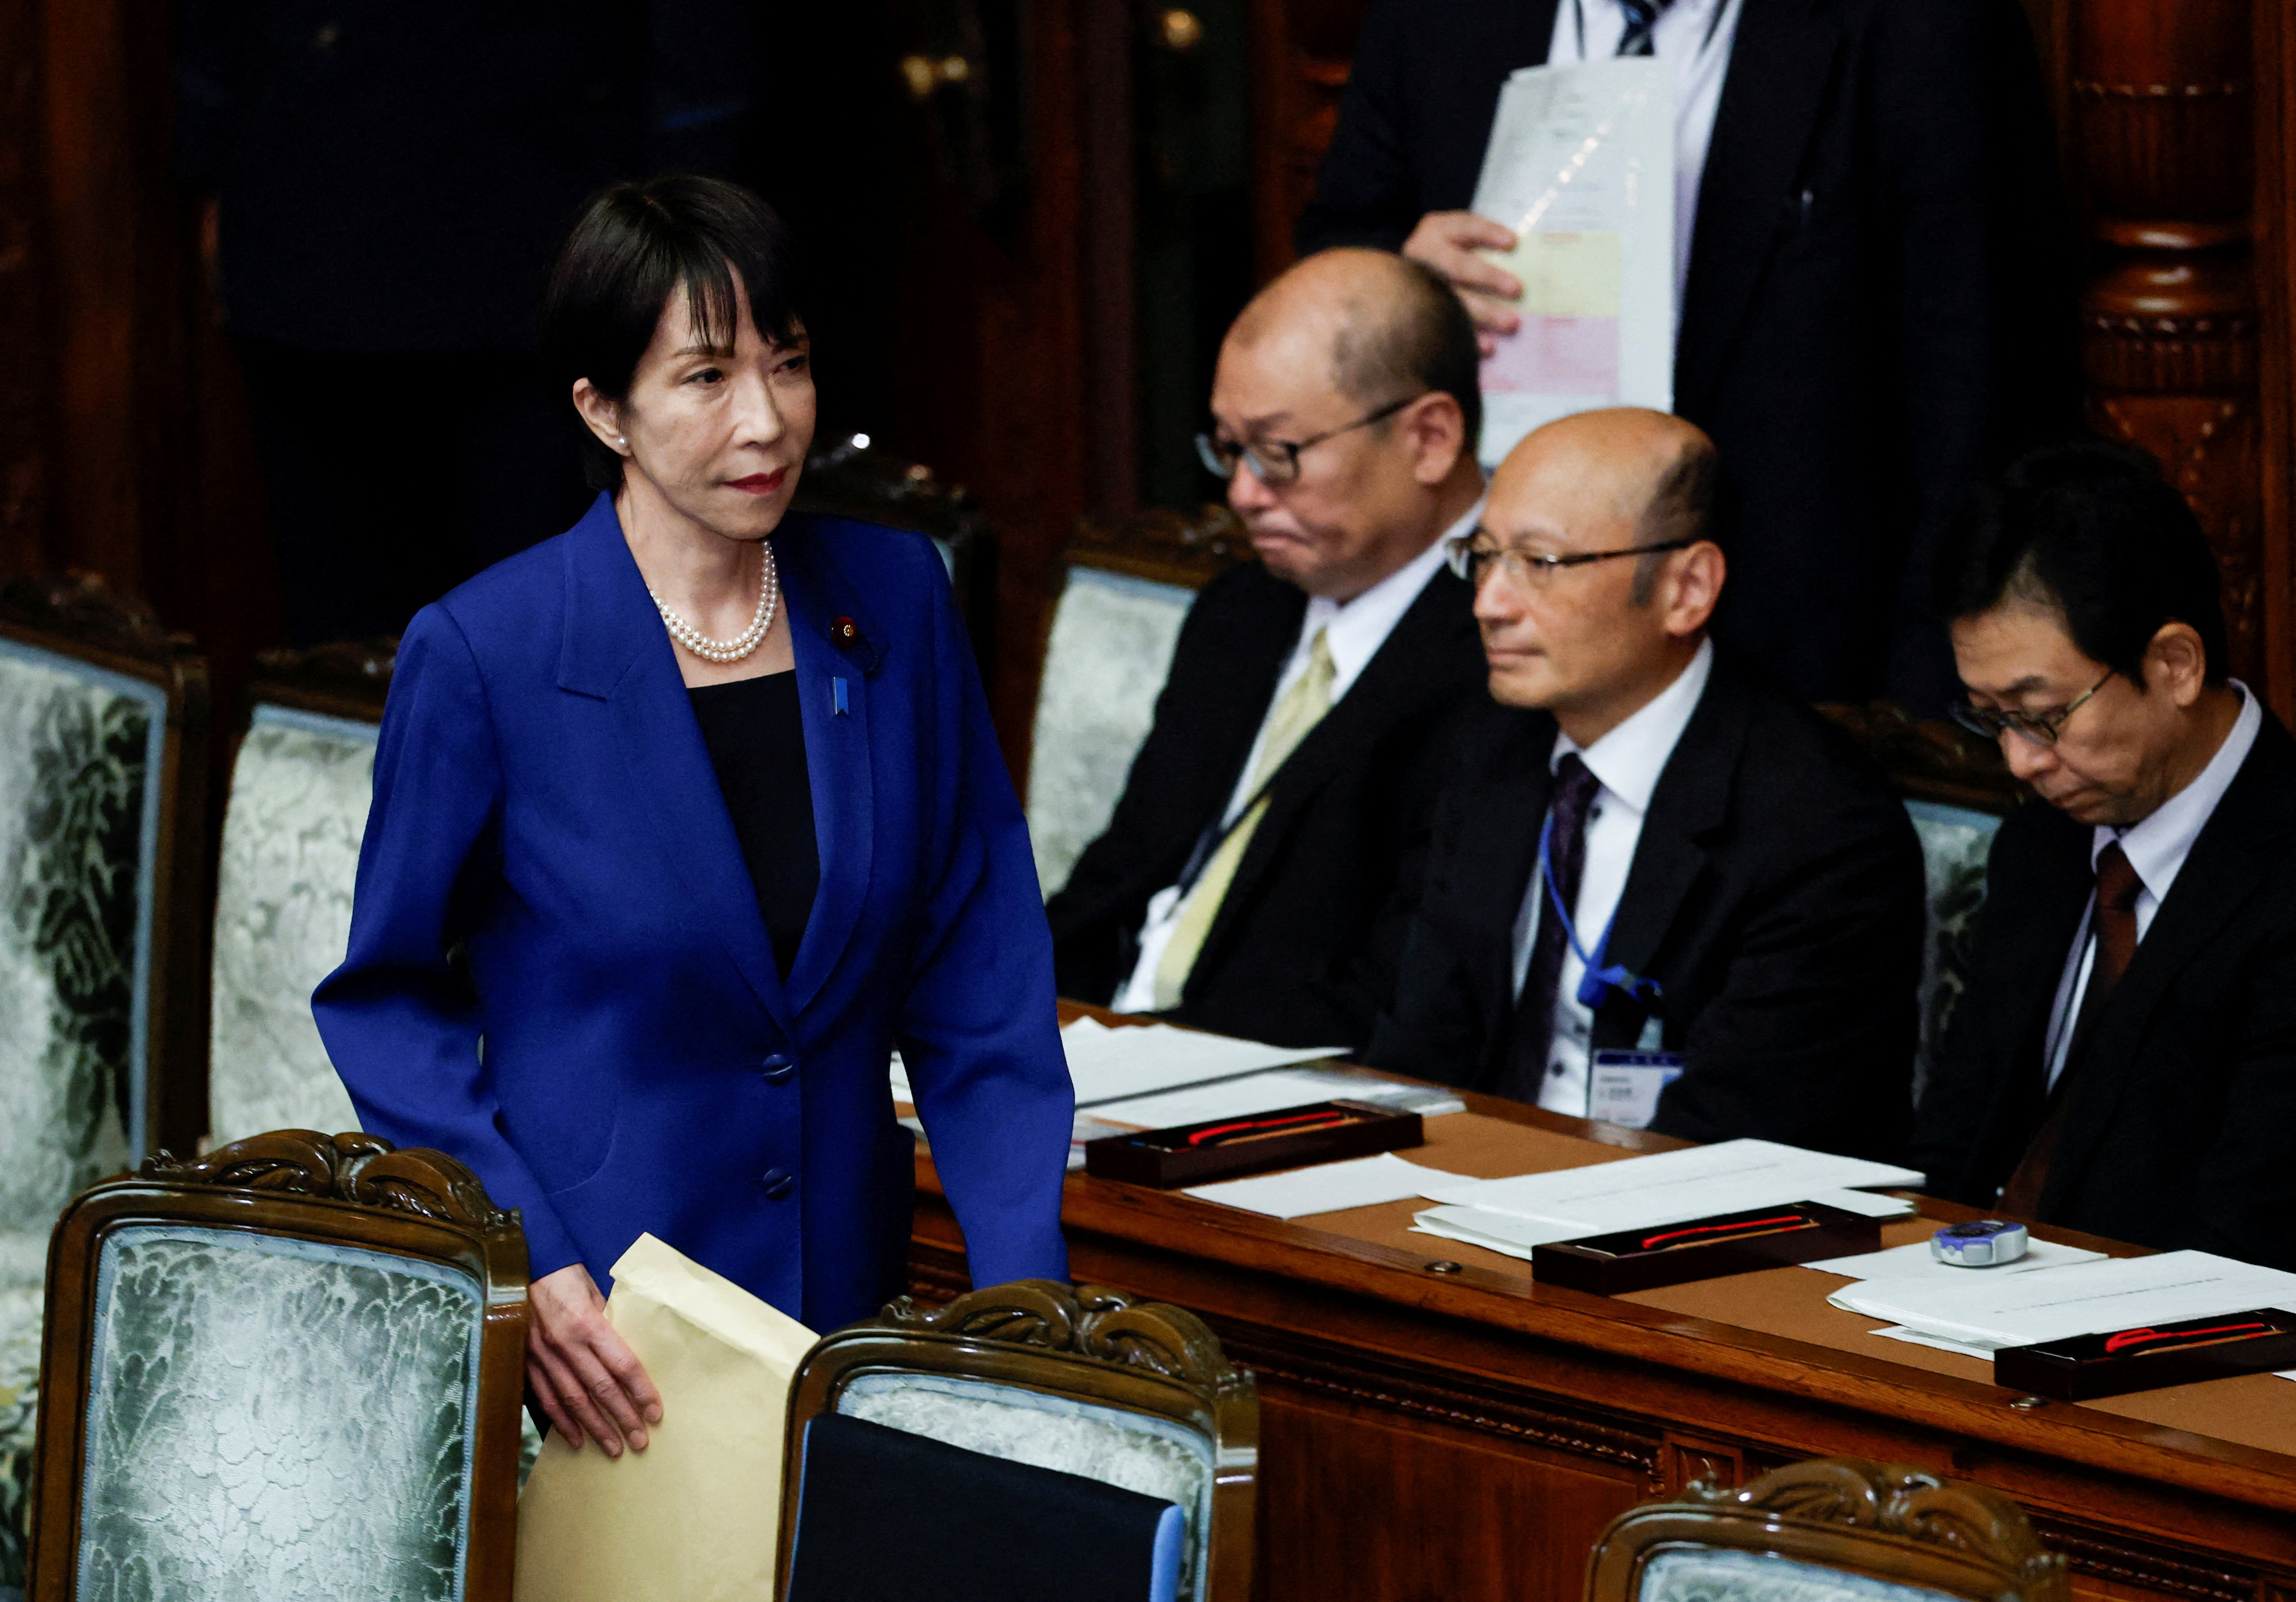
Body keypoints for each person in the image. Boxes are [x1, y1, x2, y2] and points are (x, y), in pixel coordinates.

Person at [313, 177, 1072, 1455]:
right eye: (707, 377)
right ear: (601, 409)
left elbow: (978, 981)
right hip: (606, 1351)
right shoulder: (489, 652)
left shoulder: (893, 598)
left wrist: (1022, 1305)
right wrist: (528, 1263)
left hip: (849, 1321)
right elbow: (386, 999)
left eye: (788, 362)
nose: (766, 419)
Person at [1295, 0, 2079, 709]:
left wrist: (1922, 712)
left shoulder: (1926, 29)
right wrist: (1404, 285)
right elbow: (1338, 253)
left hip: (1792, 662)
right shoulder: (1434, 19)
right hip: (1478, 625)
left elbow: (1984, 398)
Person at [1367, 408, 1924, 1159]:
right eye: (1483, 556)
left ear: (1686, 588)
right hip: (1459, 1195)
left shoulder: (1819, 828)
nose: (1489, 603)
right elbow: (1424, 1043)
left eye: (1540, 563)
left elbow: (1742, 1140)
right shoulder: (1490, 748)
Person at [176, 0, 758, 642]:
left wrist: (684, 220)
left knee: (549, 642)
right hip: (313, 218)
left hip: (550, 245)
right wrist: (208, 152)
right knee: (350, 653)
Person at [1045, 249, 1488, 1050]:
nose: (1244, 493)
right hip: (1097, 1058)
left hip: (1276, 1094)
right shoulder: (1242, 613)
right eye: (1228, 450)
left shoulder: (1504, 645)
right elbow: (1120, 880)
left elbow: (1398, 996)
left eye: (1280, 454)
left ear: (1429, 437)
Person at [1909, 441, 2296, 1269]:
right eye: (1988, 717)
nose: (2018, 761)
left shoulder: (2282, 870)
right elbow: (1951, 1146)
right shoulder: (2040, 845)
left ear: (2172, 664)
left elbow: (2253, 1234)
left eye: (2040, 714)